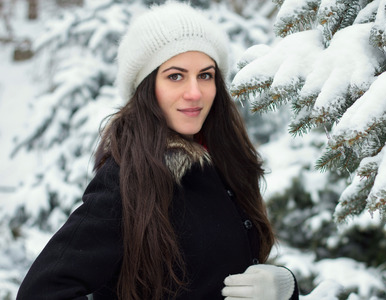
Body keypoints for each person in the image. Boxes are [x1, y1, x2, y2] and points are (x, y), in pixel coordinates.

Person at [17, 2, 300, 299]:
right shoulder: (128, 180)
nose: (194, 92)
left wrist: (284, 288)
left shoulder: (225, 164)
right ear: (146, 88)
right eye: (175, 76)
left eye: (205, 75)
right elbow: (41, 292)